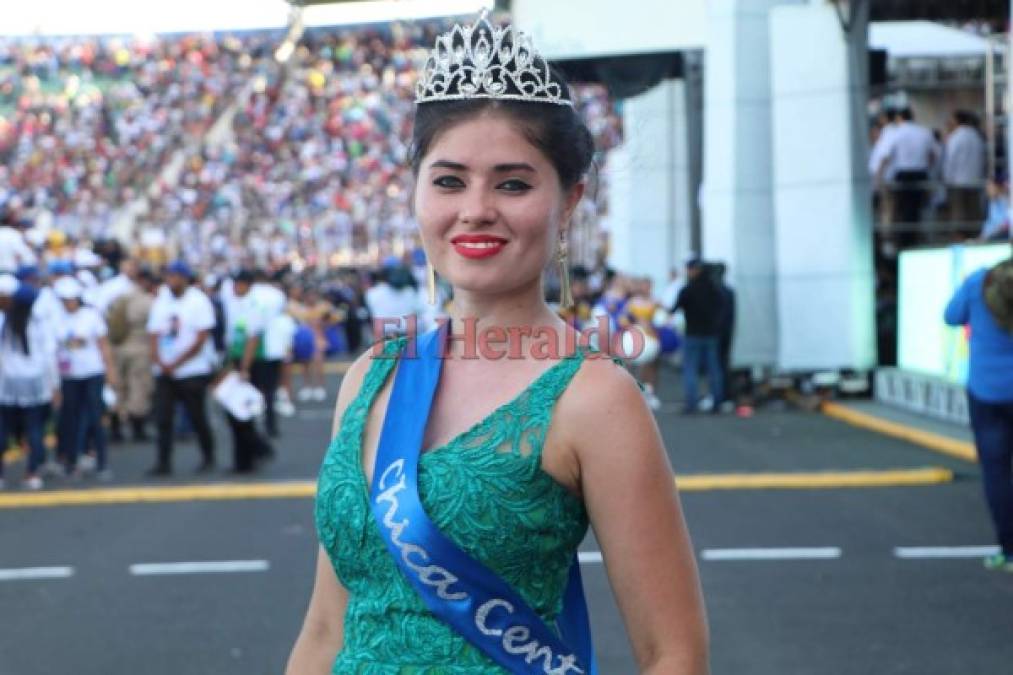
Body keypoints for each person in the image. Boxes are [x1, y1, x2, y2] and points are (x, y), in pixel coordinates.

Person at [287, 12, 708, 674]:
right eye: (449, 180)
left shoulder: (593, 397)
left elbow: (673, 654)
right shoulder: (368, 376)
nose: (476, 207)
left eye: (512, 183)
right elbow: (324, 627)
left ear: (566, 202)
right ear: (416, 191)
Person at [944, 258, 1013, 572]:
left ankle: (1009, 551)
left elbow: (951, 316)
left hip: (987, 391)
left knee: (996, 473)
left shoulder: (978, 284)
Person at [146, 261, 217, 476]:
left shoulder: (198, 301)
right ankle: (163, 462)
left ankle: (208, 456)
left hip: (192, 369)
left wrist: (176, 363)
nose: (171, 280)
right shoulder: (161, 300)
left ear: (185, 278)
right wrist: (159, 360)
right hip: (165, 369)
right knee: (164, 418)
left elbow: (202, 337)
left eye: (176, 276)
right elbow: (154, 332)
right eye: (169, 276)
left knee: (197, 416)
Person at [52, 276, 118, 479]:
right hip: (68, 375)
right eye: (64, 300)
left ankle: (102, 462)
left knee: (96, 418)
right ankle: (71, 461)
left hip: (92, 373)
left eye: (70, 299)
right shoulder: (57, 318)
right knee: (69, 419)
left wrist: (110, 371)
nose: (68, 303)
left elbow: (103, 344)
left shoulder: (91, 316)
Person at [0, 277, 57, 490]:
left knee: (3, 430)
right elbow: (49, 357)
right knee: (34, 430)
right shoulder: (37, 323)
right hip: (34, 383)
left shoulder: (5, 322)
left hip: (8, 384)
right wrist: (54, 385)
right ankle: (32, 472)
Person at [220, 269, 274, 472]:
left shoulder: (253, 305)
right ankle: (248, 455)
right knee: (235, 412)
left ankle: (251, 455)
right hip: (238, 360)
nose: (235, 287)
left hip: (249, 363)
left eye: (238, 283)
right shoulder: (238, 304)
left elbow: (253, 338)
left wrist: (244, 368)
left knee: (241, 412)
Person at [106, 266, 157, 443]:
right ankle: (137, 428)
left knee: (118, 387)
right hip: (139, 348)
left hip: (116, 348)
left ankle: (115, 427)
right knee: (138, 387)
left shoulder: (120, 298)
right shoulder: (147, 301)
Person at [671, 258, 725, 414]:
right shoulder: (714, 289)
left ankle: (692, 403)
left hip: (693, 334)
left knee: (690, 369)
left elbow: (674, 308)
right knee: (714, 369)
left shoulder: (688, 289)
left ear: (694, 270)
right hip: (711, 335)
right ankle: (717, 402)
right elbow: (722, 308)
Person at [943, 111, 987, 230]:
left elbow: (950, 160)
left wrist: (947, 179)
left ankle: (960, 238)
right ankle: (974, 236)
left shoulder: (955, 137)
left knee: (959, 212)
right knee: (973, 212)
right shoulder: (976, 136)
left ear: (957, 121)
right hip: (975, 180)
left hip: (958, 181)